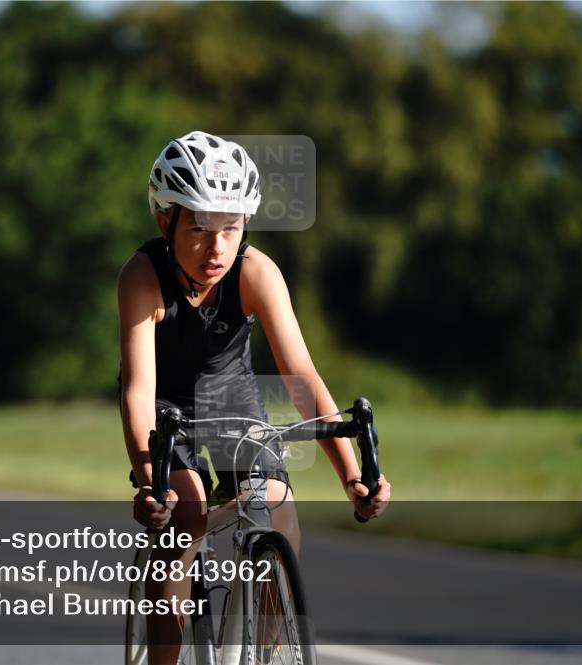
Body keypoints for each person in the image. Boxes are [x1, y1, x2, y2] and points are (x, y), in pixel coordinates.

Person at [117, 131, 391, 663]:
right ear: (164, 220)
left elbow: (303, 378)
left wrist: (352, 476)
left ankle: (266, 652)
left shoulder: (256, 271)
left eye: (231, 227)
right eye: (198, 228)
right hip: (164, 404)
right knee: (188, 515)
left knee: (278, 506)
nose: (215, 247)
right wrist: (152, 483)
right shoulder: (141, 276)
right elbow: (138, 390)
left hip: (230, 395)